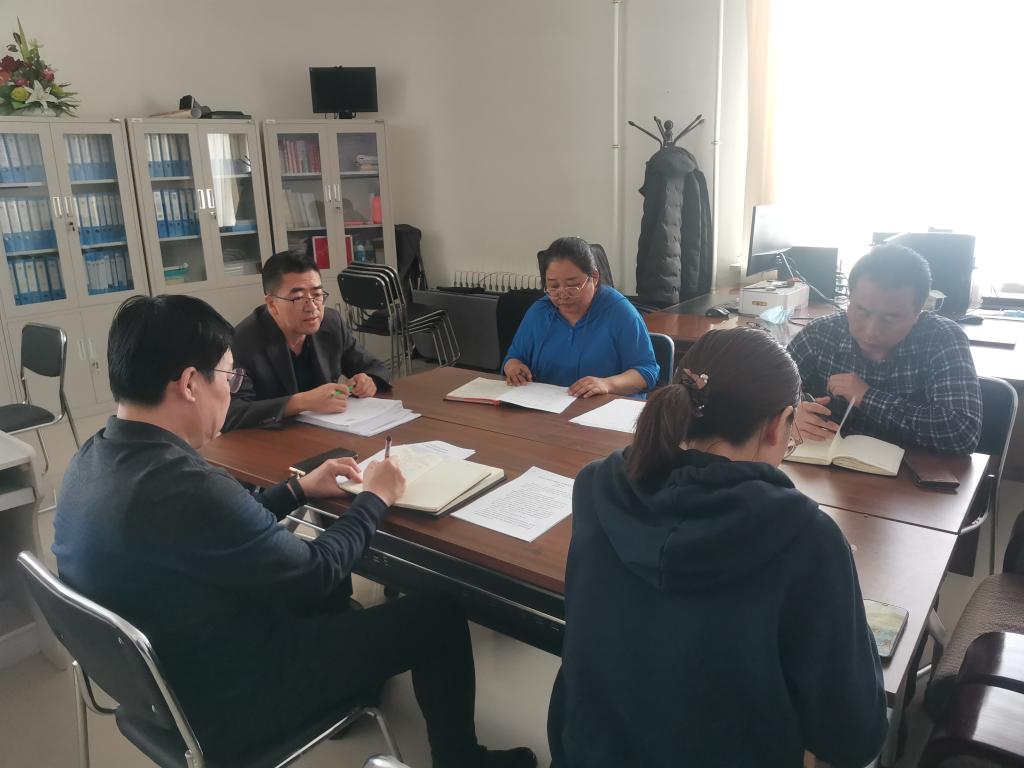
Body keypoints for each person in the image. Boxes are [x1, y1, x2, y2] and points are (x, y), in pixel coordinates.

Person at [52, 294, 536, 768]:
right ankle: (459, 758)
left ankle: (354, 677)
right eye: (229, 376)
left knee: (330, 593)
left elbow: (220, 531)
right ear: (190, 384)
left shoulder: (90, 459)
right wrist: (375, 497)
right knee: (438, 613)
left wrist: (298, 489)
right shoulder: (189, 486)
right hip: (230, 702)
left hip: (159, 689)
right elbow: (317, 572)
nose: (232, 390)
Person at [548, 327, 887, 768]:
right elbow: (855, 735)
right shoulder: (808, 537)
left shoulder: (597, 483)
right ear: (779, 423)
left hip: (589, 750)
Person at [789, 244, 982, 454]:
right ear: (849, 301)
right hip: (823, 465)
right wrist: (790, 415)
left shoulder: (942, 338)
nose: (871, 331)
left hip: (909, 469)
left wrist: (867, 397)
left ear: (917, 313)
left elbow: (962, 433)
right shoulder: (821, 333)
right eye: (862, 312)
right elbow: (766, 395)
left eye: (890, 318)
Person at [223, 250, 390, 432]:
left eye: (317, 295)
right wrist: (300, 402)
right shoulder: (242, 341)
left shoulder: (331, 323)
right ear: (272, 304)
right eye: (298, 298)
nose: (312, 307)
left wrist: (368, 380)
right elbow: (232, 412)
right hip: (272, 440)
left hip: (327, 432)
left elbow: (374, 366)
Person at [502, 237, 659, 397]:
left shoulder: (619, 312)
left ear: (594, 277)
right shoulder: (540, 312)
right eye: (553, 286)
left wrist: (606, 384)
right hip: (546, 406)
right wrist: (513, 367)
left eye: (572, 285)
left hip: (605, 408)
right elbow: (514, 357)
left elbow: (646, 371)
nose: (563, 294)